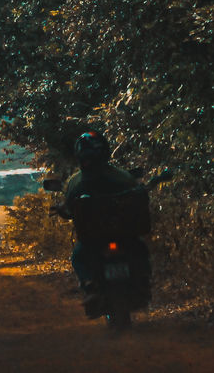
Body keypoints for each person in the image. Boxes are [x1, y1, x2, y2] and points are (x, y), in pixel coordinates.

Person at [55, 130, 149, 316]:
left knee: (79, 256)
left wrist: (62, 210)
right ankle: (142, 282)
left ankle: (90, 285)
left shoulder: (76, 181)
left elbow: (68, 208)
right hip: (125, 235)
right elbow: (138, 194)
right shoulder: (121, 176)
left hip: (93, 239)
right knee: (140, 250)